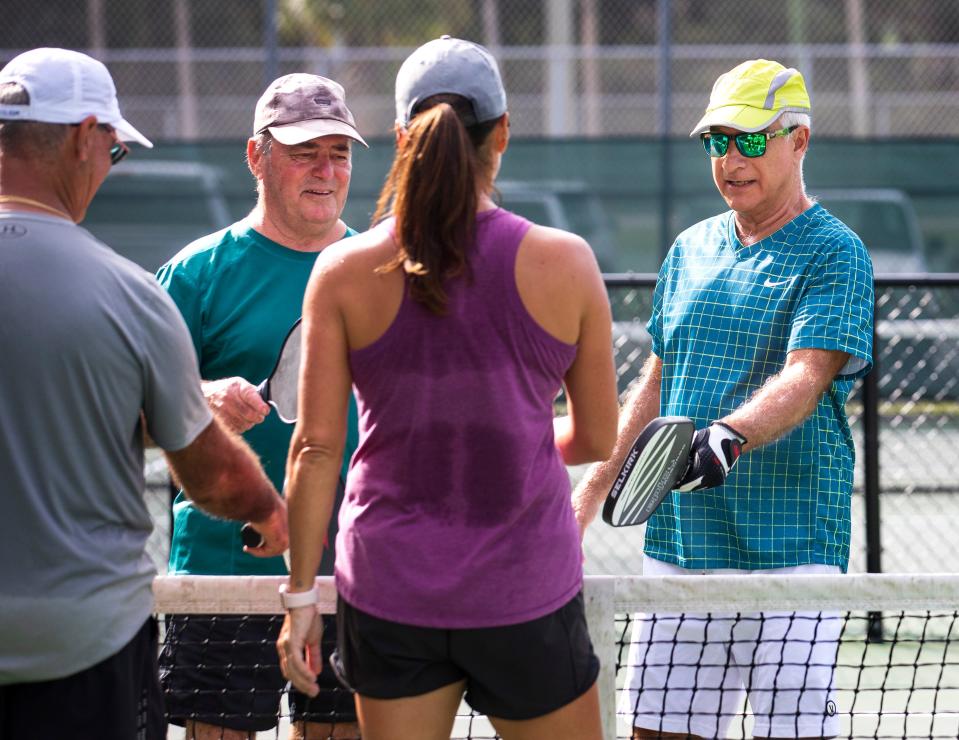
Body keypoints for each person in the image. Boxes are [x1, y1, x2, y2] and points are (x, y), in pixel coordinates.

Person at [275, 36, 618, 740]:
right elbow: (596, 438)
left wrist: (300, 596)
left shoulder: (340, 271)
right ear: (502, 134)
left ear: (402, 137)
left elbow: (314, 448)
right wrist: (520, 440)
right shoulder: (567, 262)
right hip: (526, 590)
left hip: (388, 589)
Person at [573, 59, 875, 739]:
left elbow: (806, 376)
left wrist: (726, 434)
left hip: (792, 549)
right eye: (717, 142)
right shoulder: (687, 250)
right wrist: (586, 498)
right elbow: (656, 382)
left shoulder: (835, 252)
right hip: (680, 544)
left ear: (798, 141)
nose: (729, 159)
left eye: (749, 140)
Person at [0, 48, 288, 740]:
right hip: (85, 650)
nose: (106, 166)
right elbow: (212, 475)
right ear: (82, 136)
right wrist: (267, 510)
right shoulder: (129, 296)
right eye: (113, 149)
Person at [155, 72, 366, 740]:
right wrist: (200, 399)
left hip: (352, 570)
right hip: (221, 572)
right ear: (256, 157)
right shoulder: (195, 274)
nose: (325, 171)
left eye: (339, 153)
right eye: (304, 153)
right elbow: (136, 410)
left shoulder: (381, 270)